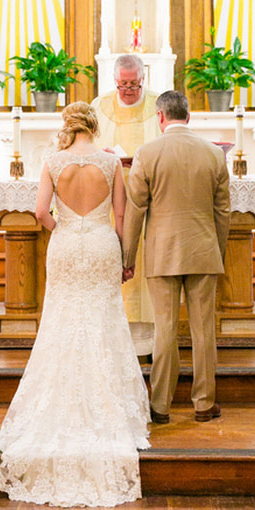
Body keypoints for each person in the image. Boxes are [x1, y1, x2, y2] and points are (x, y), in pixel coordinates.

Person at [0, 102, 150, 507]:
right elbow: (120, 214)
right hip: (101, 244)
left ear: (68, 126)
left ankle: (55, 409)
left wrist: (64, 227)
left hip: (65, 244)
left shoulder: (51, 161)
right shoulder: (111, 163)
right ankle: (107, 408)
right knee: (102, 319)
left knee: (61, 321)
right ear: (94, 126)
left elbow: (39, 212)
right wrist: (124, 255)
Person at [123, 91, 230, 423]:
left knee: (165, 330)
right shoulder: (213, 154)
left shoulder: (147, 153)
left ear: (160, 117)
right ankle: (203, 403)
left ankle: (160, 406)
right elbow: (222, 211)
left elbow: (135, 210)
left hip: (163, 252)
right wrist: (218, 250)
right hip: (203, 250)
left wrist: (128, 256)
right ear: (189, 116)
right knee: (203, 330)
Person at [91, 54, 159, 354]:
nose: (128, 90)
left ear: (143, 79)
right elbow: (87, 146)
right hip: (108, 196)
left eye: (134, 84)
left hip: (150, 195)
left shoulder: (158, 105)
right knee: (115, 256)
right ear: (114, 81)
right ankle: (110, 334)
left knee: (144, 262)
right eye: (123, 85)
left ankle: (147, 339)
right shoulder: (99, 106)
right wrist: (106, 155)